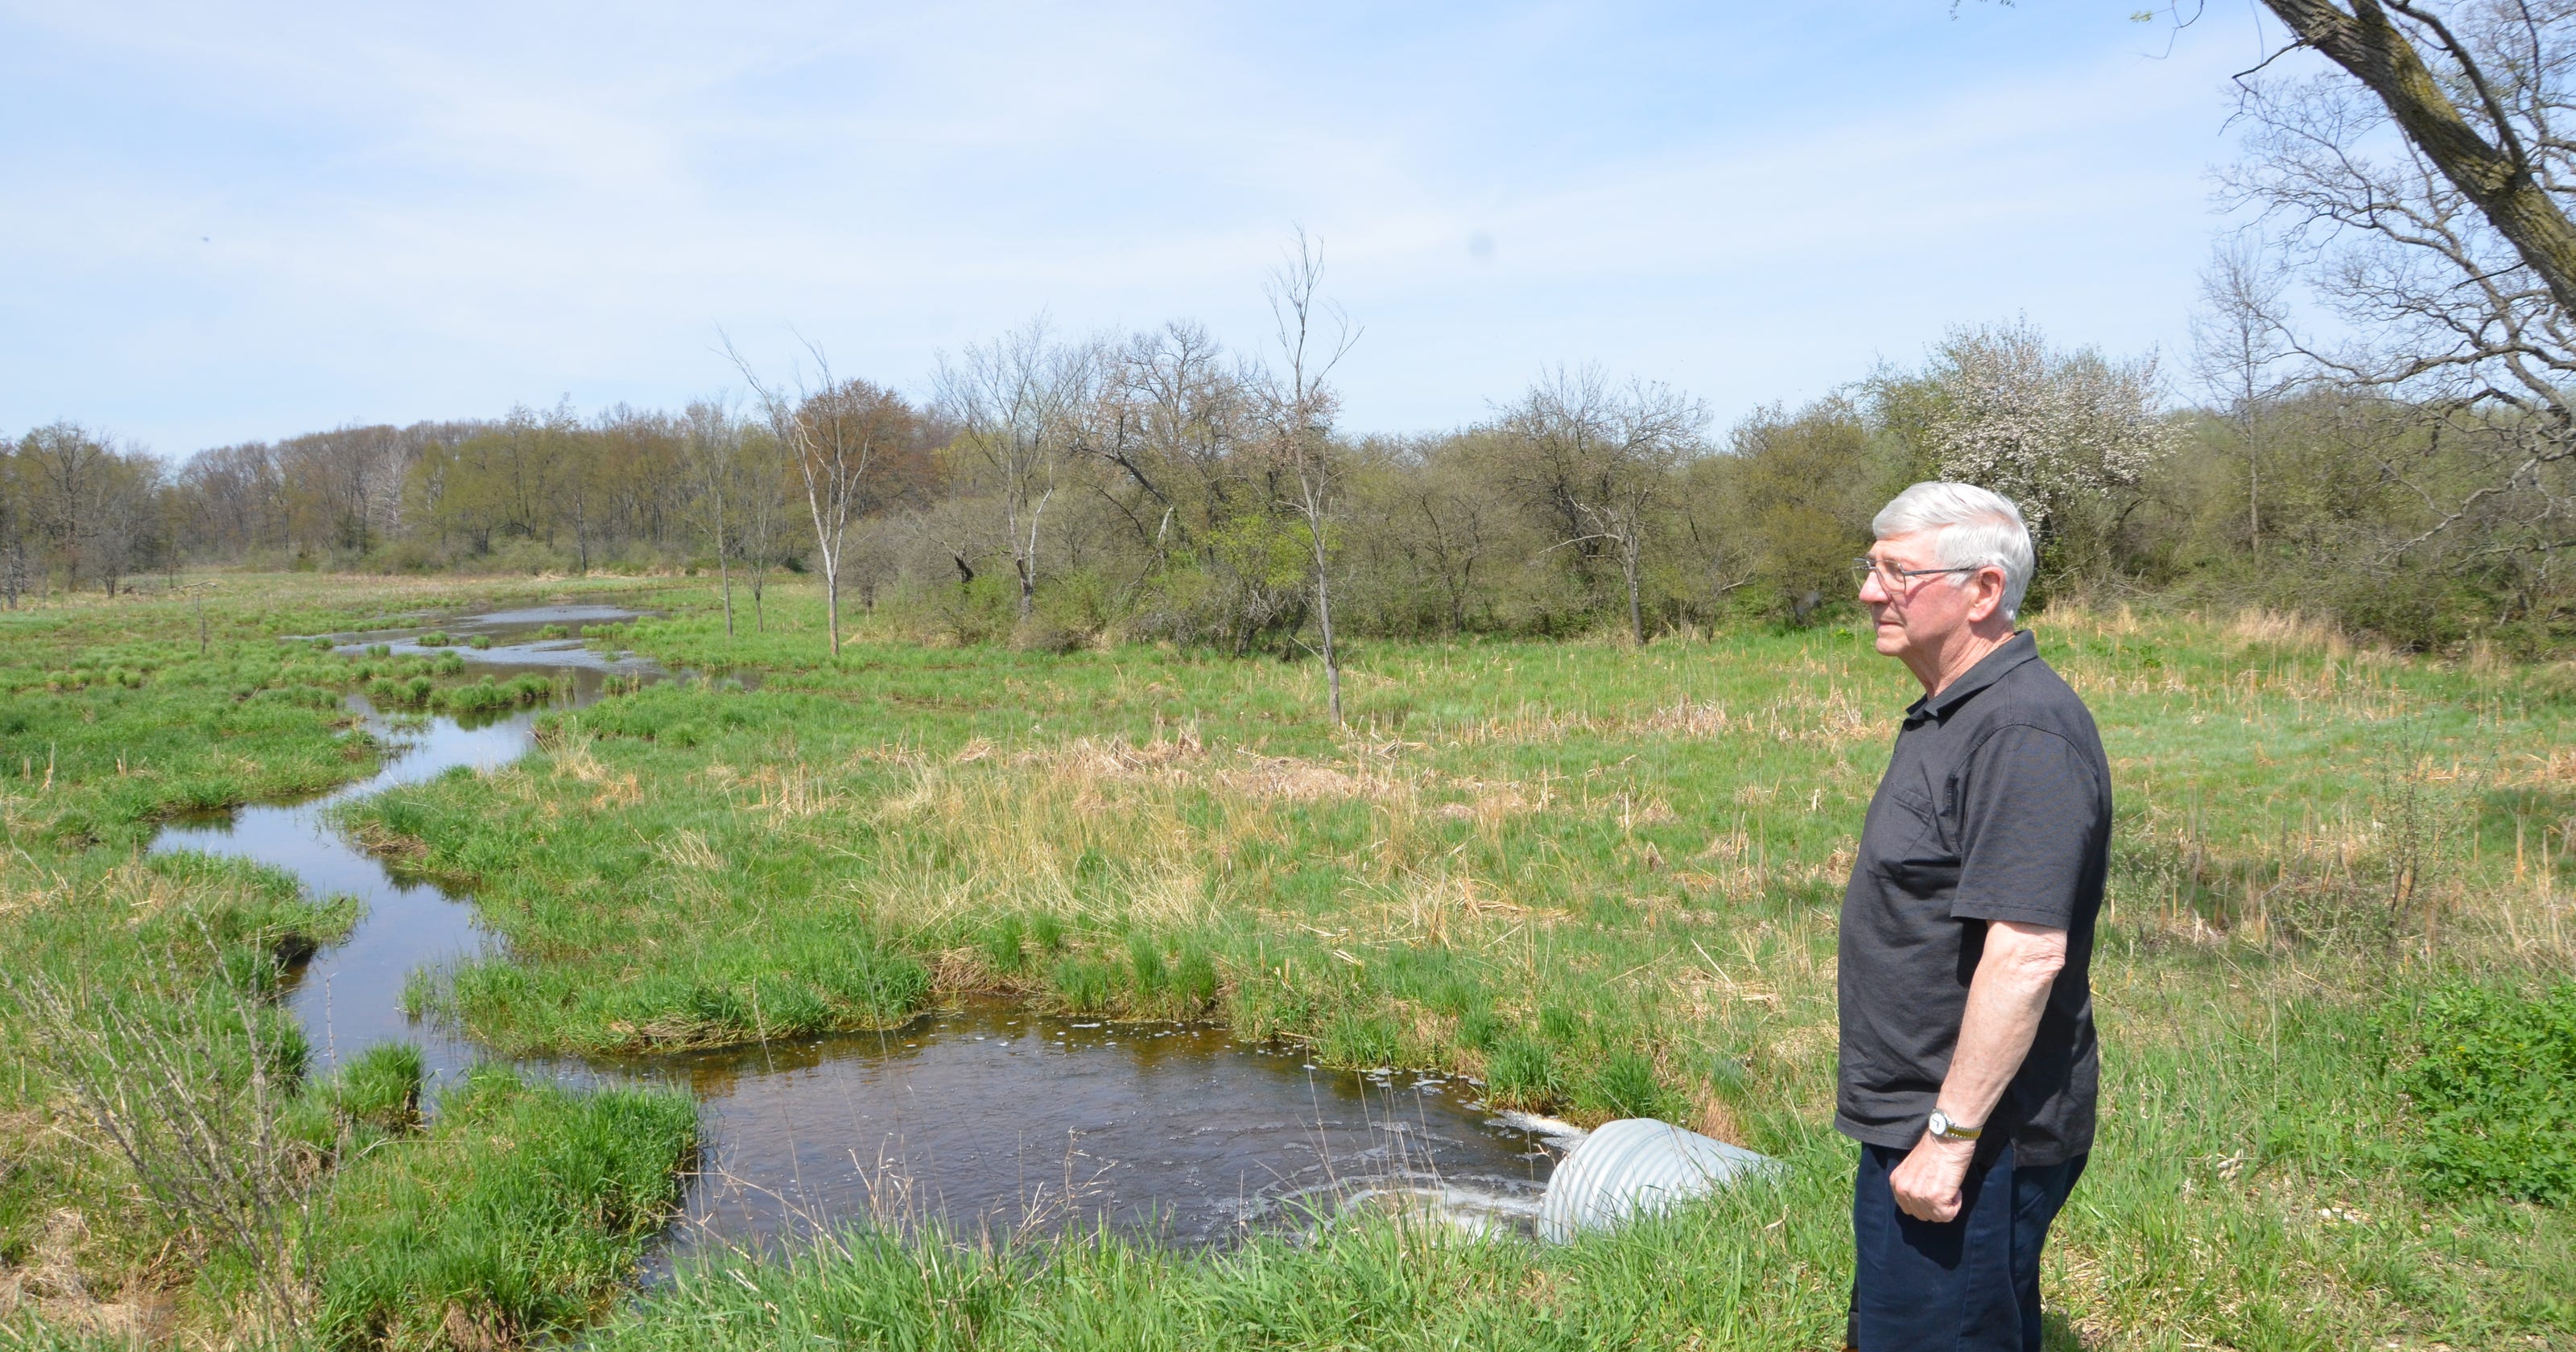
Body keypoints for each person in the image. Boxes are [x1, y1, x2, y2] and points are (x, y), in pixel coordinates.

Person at [1837, 482, 2110, 1352]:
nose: (1868, 591)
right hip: (1922, 1119)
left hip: (1972, 1138)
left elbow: (2026, 953)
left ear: (1982, 591)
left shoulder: (2019, 732)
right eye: (1870, 568)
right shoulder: (1951, 711)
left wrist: (1948, 1141)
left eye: (1896, 573)